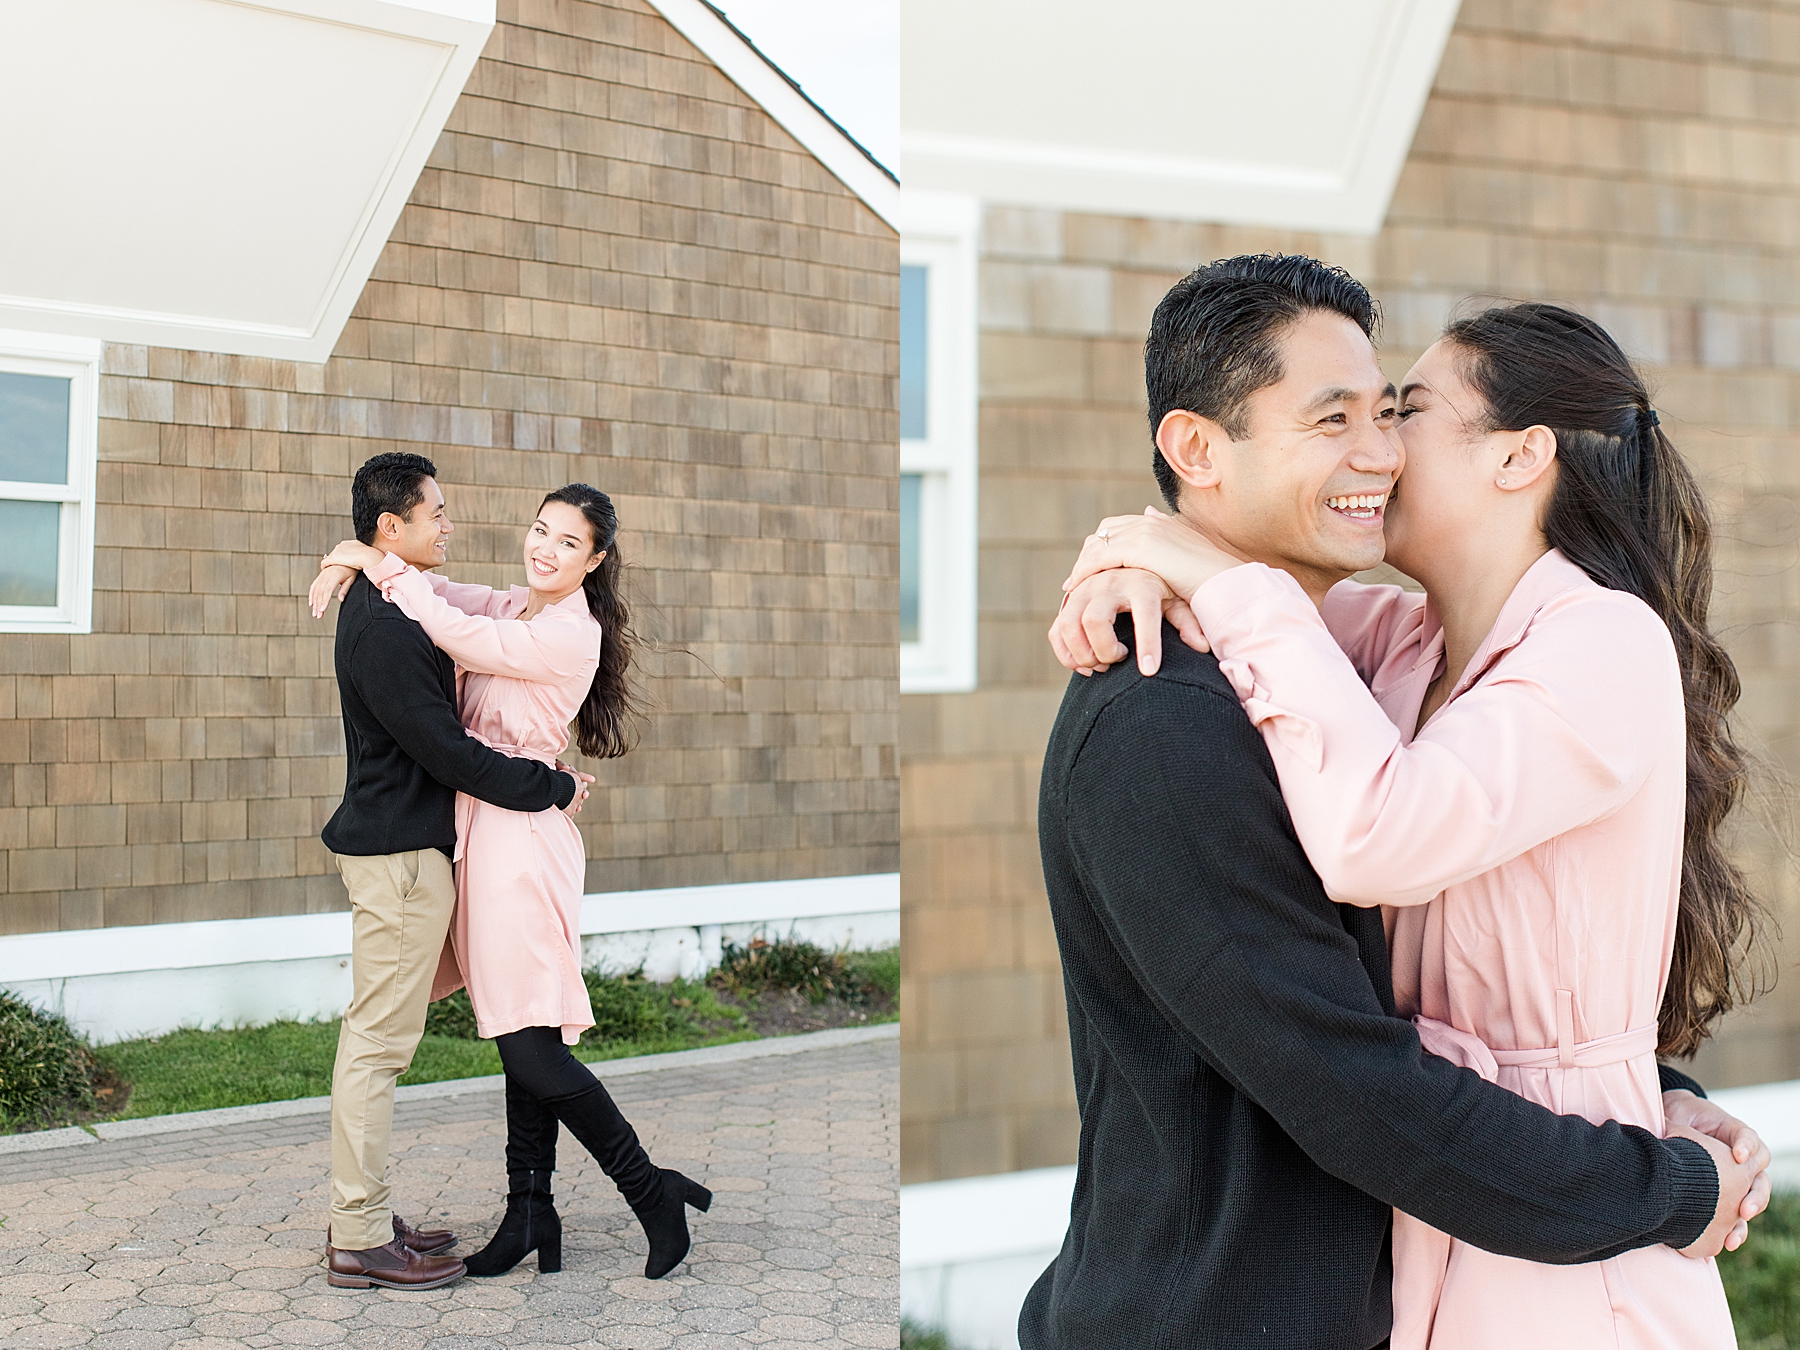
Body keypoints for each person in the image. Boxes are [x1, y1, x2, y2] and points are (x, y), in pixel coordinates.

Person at [1026, 256, 1771, 1350]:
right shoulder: (1260, 690)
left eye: (1399, 413)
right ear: (1198, 448)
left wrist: (1652, 1117)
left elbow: (1414, 894)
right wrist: (1129, 564)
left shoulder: (1580, 641)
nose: (1380, 451)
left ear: (1525, 457)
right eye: (1343, 417)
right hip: (1276, 1289)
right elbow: (1357, 1064)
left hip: (1534, 1232)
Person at [310, 484, 713, 1282]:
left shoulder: (568, 632)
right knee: (518, 1030)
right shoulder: (519, 606)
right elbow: (447, 591)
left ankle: (650, 1192)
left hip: (520, 840)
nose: (546, 549)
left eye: (568, 543)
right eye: (540, 530)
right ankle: (531, 1211)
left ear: (594, 561)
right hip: (486, 831)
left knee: (531, 1044)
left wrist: (375, 562)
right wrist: (355, 552)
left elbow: (450, 626)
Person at [316, 452, 591, 1292]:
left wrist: (357, 554)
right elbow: (451, 751)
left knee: (381, 1042)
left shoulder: (393, 602)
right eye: (436, 514)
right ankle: (359, 1233)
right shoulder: (390, 631)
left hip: (407, 851)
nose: (450, 524)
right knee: (376, 1048)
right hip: (398, 860)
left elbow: (470, 609)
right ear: (394, 525)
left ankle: (365, 1214)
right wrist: (553, 786)